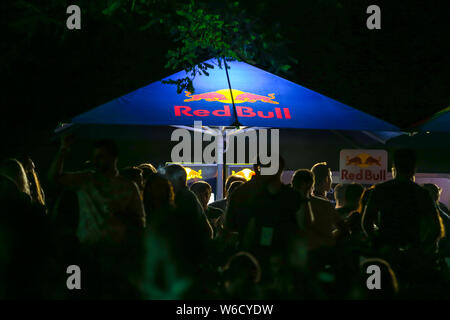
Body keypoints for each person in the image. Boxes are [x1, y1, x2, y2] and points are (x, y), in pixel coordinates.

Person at [49, 136, 146, 245]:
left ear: (114, 157)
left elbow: (140, 222)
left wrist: (123, 214)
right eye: (94, 157)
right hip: (88, 250)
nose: (95, 161)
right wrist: (63, 150)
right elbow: (55, 178)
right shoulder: (86, 179)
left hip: (116, 252)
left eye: (100, 156)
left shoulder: (129, 186)